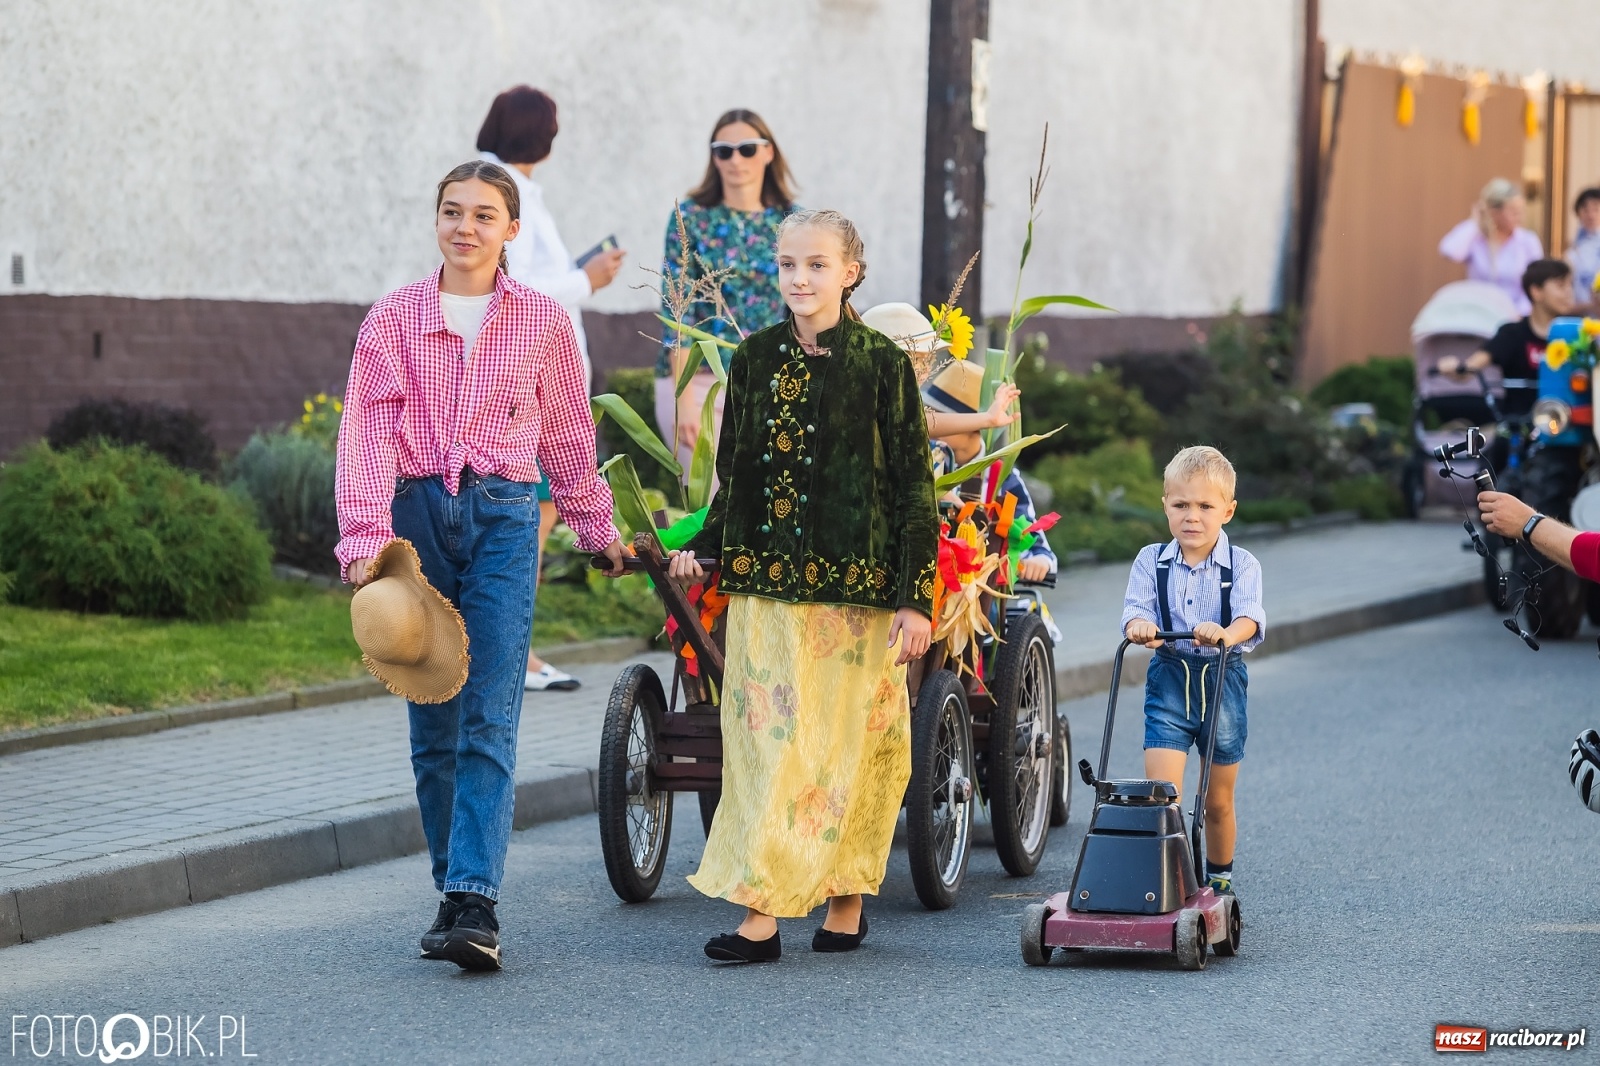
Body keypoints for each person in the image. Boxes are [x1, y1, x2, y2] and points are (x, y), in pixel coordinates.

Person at [336, 159, 626, 972]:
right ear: (437, 222)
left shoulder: (540, 322)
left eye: (483, 215)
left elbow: (569, 439)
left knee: (490, 710)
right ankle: (452, 888)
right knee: (433, 715)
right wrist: (363, 543)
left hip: (502, 517)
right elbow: (362, 433)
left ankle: (476, 901)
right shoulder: (391, 320)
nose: (466, 227)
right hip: (416, 518)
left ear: (510, 230)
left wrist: (596, 531)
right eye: (452, 212)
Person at [665, 209, 938, 963]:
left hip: (861, 599)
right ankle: (759, 916)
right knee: (766, 749)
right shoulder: (752, 360)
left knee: (853, 747)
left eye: (817, 264)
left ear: (851, 271)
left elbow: (915, 489)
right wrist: (708, 551)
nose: (799, 278)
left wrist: (918, 598)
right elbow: (736, 476)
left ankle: (846, 901)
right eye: (788, 264)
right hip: (766, 593)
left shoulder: (883, 365)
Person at [476, 85, 628, 693]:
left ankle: (503, 653)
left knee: (520, 526)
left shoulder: (504, 189)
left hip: (527, 375)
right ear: (544, 133)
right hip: (532, 380)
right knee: (527, 530)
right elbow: (523, 287)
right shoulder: (508, 194)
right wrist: (587, 280)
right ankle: (518, 657)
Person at [1120, 446, 1265, 900]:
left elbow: (1251, 619)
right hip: (1169, 680)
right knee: (1165, 796)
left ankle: (1219, 878)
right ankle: (1174, 881)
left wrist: (1224, 632)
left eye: (1205, 506)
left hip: (1222, 681)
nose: (1192, 517)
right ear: (1165, 504)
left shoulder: (1242, 564)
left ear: (1228, 510)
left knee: (1218, 799)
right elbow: (1135, 613)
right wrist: (1140, 628)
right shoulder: (1150, 561)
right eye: (1181, 505)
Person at [655, 109, 799, 468]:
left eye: (747, 149)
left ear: (768, 152)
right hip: (701, 382)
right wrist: (682, 399)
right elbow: (677, 311)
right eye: (724, 150)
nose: (736, 159)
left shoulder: (793, 222)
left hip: (772, 383)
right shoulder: (691, 218)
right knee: (714, 508)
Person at [1437, 258, 1575, 417]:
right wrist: (1453, 367)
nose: (1569, 292)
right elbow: (1470, 368)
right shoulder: (1512, 334)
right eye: (1560, 286)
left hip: (1569, 426)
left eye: (1571, 285)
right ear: (1536, 291)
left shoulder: (1578, 334)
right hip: (1519, 427)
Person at [1439, 178, 1545, 316]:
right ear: (1494, 212)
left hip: (1516, 317)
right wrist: (1476, 220)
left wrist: (1518, 313)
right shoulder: (1476, 238)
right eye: (1513, 211)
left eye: (1521, 211)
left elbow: (1536, 282)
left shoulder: (1528, 241)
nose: (1519, 217)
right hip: (1479, 315)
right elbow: (1450, 251)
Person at [1567, 187, 1600, 305]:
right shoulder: (1574, 247)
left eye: (1596, 209)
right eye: (1586, 210)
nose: (1591, 215)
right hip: (1579, 311)